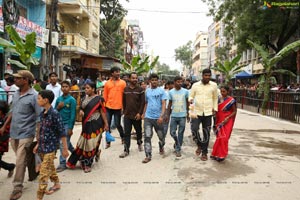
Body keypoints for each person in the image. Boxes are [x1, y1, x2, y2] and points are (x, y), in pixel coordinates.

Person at [0, 70, 41, 200]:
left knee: (19, 160)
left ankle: (17, 188)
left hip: (27, 133)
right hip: (14, 132)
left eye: (18, 78)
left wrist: (38, 135)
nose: (15, 80)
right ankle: (36, 166)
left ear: (26, 80)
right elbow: (12, 111)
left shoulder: (35, 96)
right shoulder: (16, 93)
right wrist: (4, 125)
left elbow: (39, 116)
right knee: (22, 158)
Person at [33, 90, 68, 200]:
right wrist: (38, 144)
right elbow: (42, 131)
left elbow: (62, 132)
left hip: (51, 148)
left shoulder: (55, 114)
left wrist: (65, 149)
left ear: (46, 100)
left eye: (39, 98)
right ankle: (57, 183)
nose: (37, 100)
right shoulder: (42, 113)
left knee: (43, 174)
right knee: (50, 168)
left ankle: (39, 196)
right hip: (42, 147)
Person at [67, 82, 109, 173]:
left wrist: (106, 124)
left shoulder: (99, 99)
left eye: (88, 88)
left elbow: (103, 112)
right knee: (83, 142)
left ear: (93, 89)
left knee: (91, 143)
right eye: (85, 88)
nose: (86, 90)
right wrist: (81, 111)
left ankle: (87, 163)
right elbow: (82, 108)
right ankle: (96, 152)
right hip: (86, 123)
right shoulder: (84, 99)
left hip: (96, 123)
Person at [189, 68, 218, 161]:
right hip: (196, 112)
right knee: (194, 129)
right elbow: (191, 95)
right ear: (202, 76)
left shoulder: (214, 85)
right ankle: (199, 145)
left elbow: (215, 98)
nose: (207, 77)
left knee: (206, 133)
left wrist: (215, 108)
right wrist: (190, 99)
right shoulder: (195, 85)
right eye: (206, 75)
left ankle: (204, 152)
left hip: (208, 112)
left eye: (209, 75)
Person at [142, 73, 167, 164]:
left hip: (158, 119)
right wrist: (143, 114)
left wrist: (161, 116)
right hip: (148, 118)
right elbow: (146, 103)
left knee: (161, 136)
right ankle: (148, 155)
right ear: (150, 81)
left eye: (156, 80)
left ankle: (161, 146)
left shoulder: (161, 91)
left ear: (158, 81)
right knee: (147, 136)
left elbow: (164, 104)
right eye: (152, 80)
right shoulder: (147, 91)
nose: (154, 81)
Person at [119, 72, 145, 158]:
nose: (135, 80)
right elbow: (123, 101)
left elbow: (142, 103)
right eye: (133, 78)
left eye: (136, 78)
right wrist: (124, 110)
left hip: (136, 115)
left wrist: (140, 113)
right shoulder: (125, 89)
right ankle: (126, 150)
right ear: (129, 79)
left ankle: (139, 143)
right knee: (127, 132)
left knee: (138, 131)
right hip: (127, 115)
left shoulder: (140, 89)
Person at [210, 85, 237, 162]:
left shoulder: (231, 100)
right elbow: (215, 109)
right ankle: (215, 153)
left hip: (227, 120)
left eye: (224, 91)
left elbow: (234, 111)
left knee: (224, 138)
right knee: (219, 137)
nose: (222, 93)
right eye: (221, 91)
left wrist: (228, 118)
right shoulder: (218, 99)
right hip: (219, 120)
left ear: (228, 92)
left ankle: (222, 154)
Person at [55, 81, 76, 172]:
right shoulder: (58, 99)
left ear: (70, 88)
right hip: (59, 124)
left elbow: (73, 114)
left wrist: (71, 128)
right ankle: (77, 154)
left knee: (63, 144)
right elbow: (55, 112)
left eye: (66, 86)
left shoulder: (72, 100)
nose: (64, 88)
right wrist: (58, 107)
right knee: (67, 143)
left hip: (67, 124)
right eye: (63, 86)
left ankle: (62, 163)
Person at [103, 66, 126, 148]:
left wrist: (124, 107)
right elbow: (105, 96)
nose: (118, 73)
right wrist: (103, 107)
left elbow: (125, 96)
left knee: (117, 124)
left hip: (118, 107)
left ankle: (123, 137)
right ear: (112, 73)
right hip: (108, 106)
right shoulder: (107, 83)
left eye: (119, 71)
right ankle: (108, 142)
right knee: (107, 125)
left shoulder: (123, 83)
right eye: (116, 72)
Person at [167, 76, 189, 157]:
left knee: (180, 133)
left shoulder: (186, 92)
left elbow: (187, 103)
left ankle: (178, 149)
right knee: (172, 132)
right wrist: (167, 115)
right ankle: (177, 142)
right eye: (178, 82)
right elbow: (169, 104)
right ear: (174, 82)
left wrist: (188, 113)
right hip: (173, 116)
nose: (180, 83)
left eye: (181, 82)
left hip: (182, 116)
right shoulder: (171, 92)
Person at [0, 100, 15, 177]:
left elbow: (5, 131)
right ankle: (10, 167)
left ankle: (10, 167)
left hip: (2, 143)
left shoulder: (6, 119)